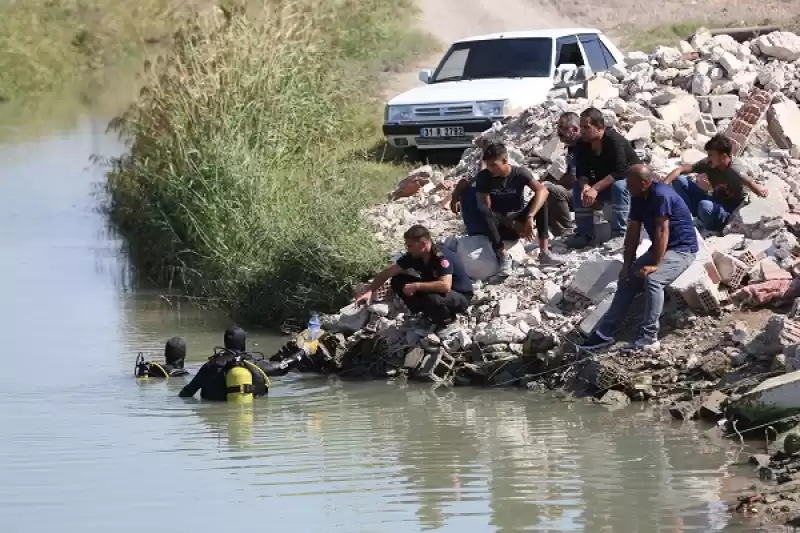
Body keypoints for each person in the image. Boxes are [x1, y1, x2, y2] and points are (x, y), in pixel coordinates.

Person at [581, 164, 698, 352]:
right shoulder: (638, 197)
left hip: (682, 248)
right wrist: (627, 265)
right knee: (626, 279)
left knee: (653, 280)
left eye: (631, 184)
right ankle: (605, 333)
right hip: (662, 247)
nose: (628, 188)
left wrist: (655, 265)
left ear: (644, 183)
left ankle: (649, 337)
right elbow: (633, 233)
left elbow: (662, 231)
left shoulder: (661, 195)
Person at [354, 225, 473, 329]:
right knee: (398, 281)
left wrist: (416, 286)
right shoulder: (414, 255)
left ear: (423, 244)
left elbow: (445, 286)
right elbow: (388, 273)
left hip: (459, 296)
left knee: (432, 296)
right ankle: (424, 313)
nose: (407, 249)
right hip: (438, 290)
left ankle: (446, 320)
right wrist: (370, 290)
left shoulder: (441, 257)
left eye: (410, 246)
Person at [567, 107, 641, 249]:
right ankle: (584, 233)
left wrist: (595, 188)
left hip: (632, 185)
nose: (582, 131)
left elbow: (620, 171)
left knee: (619, 186)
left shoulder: (614, 141)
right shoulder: (583, 144)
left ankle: (619, 234)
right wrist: (585, 186)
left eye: (586, 127)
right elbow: (581, 171)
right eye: (581, 127)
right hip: (605, 185)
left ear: (600, 127)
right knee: (578, 188)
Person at [660, 134, 768, 231]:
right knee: (680, 180)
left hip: (725, 212)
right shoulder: (709, 164)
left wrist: (759, 189)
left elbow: (748, 181)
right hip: (713, 201)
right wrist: (662, 187)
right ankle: (696, 217)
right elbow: (683, 169)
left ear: (723, 157)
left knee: (704, 206)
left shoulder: (734, 168)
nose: (708, 158)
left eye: (711, 155)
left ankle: (706, 225)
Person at [178, 326, 272, 402]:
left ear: (225, 343)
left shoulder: (211, 365)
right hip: (249, 417)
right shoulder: (255, 365)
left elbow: (186, 393)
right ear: (243, 342)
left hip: (217, 418)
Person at [541, 111, 581, 237]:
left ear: (575, 129)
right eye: (558, 127)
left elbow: (574, 178)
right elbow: (570, 174)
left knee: (552, 191)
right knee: (546, 191)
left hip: (588, 192)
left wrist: (553, 186)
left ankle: (565, 233)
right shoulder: (572, 148)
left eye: (563, 128)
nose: (559, 132)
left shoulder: (584, 146)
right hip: (576, 191)